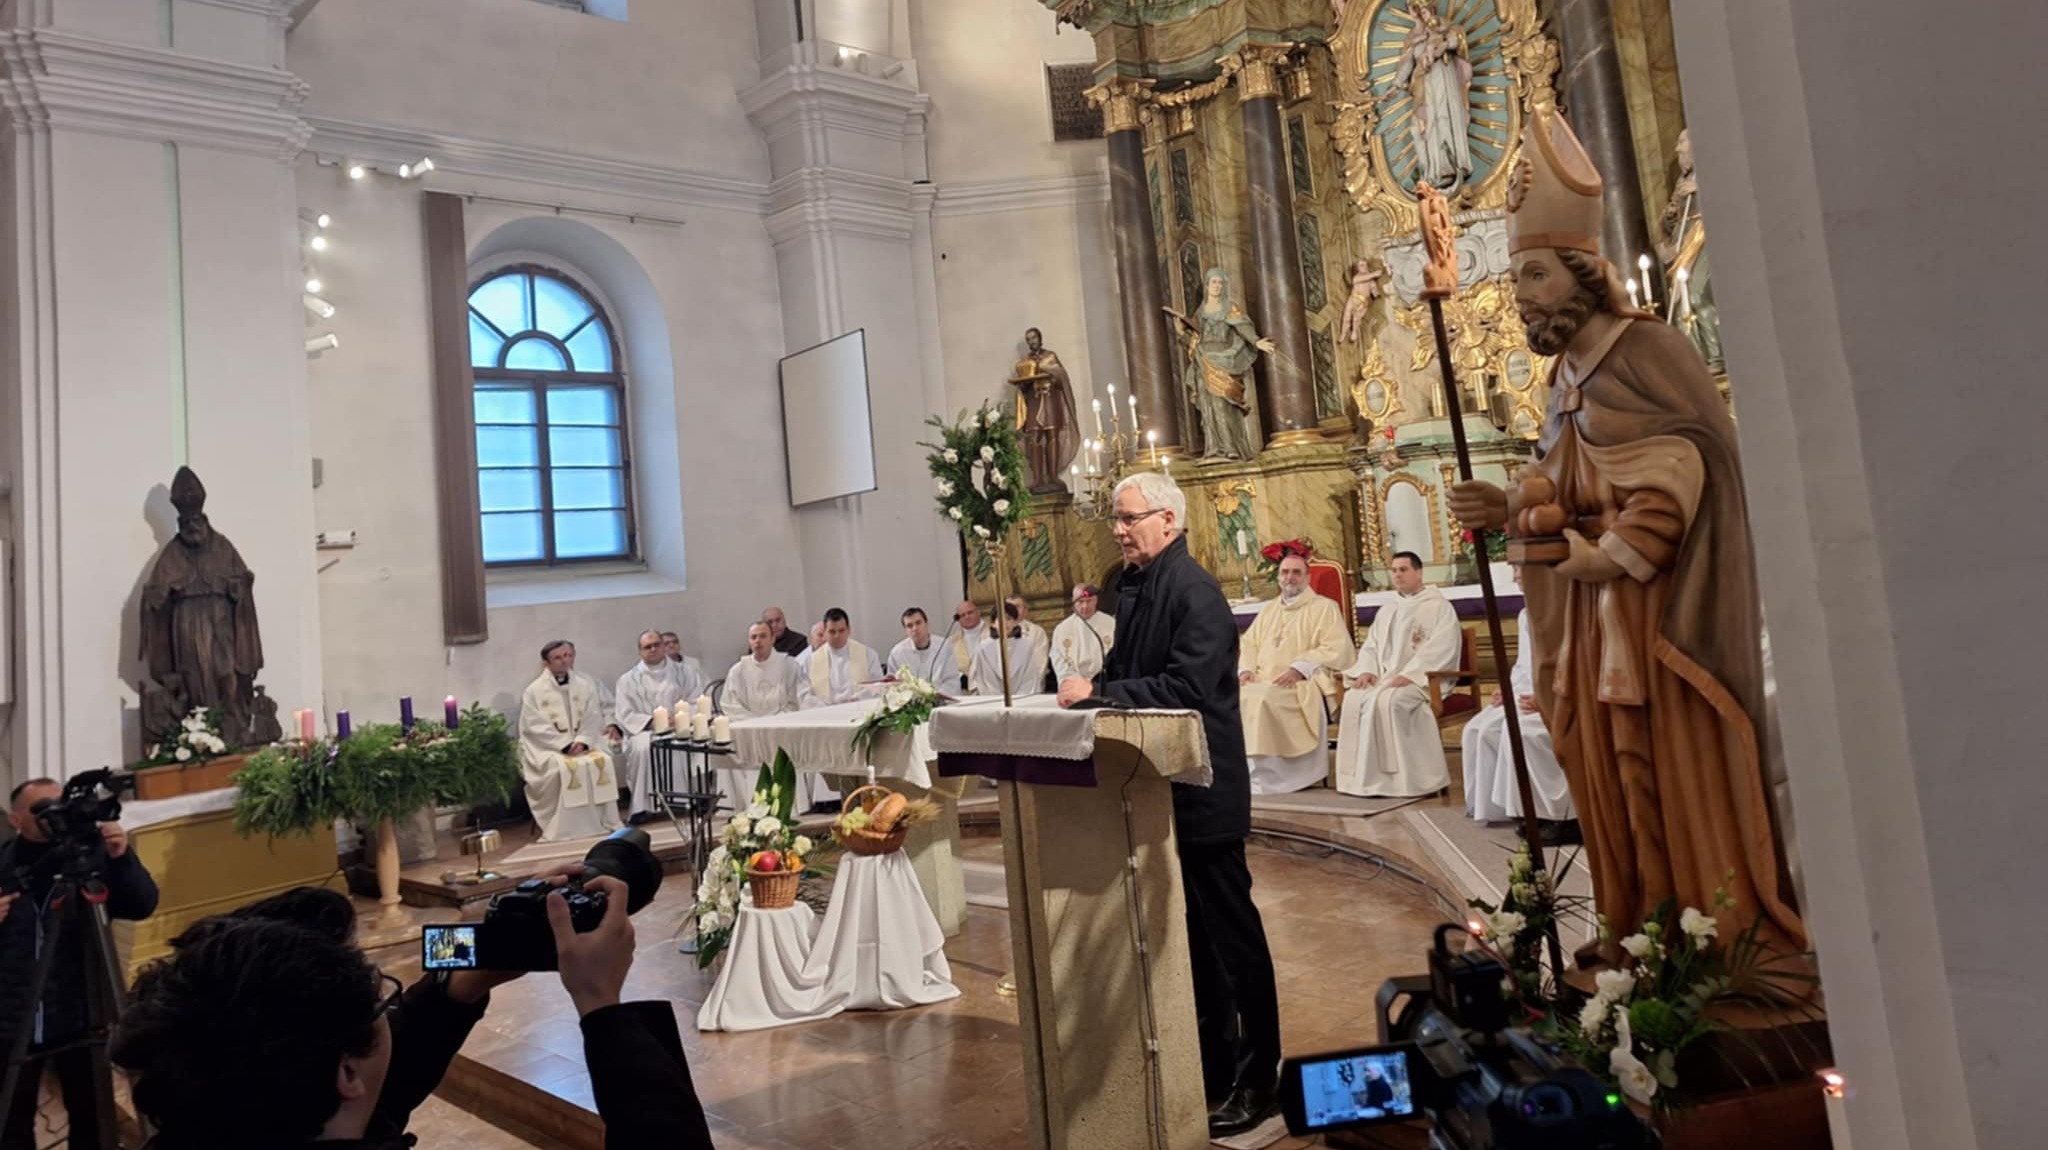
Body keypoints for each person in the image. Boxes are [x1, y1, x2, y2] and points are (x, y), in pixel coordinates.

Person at [1448, 108, 1804, 953]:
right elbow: (1563, 476)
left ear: (1583, 274)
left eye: (1535, 276)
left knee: (1667, 767)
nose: (1521, 298)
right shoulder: (1565, 376)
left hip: (1656, 620)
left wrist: (1605, 553)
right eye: (1515, 280)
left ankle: (1710, 938)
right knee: (1610, 770)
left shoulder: (1649, 352)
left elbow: (1692, 466)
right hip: (1592, 622)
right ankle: (1638, 924)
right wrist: (1508, 504)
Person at [110, 874, 714, 1149]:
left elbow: (368, 1103)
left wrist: (458, 986)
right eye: (379, 997)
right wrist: (602, 1009)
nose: (387, 1010)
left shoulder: (216, 1118)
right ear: (345, 1072)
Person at [1055, 471, 1281, 1138]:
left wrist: (1099, 697)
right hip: (1161, 783)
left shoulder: (1195, 591)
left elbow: (1186, 687)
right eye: (1116, 519)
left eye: (1129, 518)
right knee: (1194, 941)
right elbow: (1131, 669)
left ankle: (1260, 1078)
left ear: (1168, 521)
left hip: (1204, 787)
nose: (1118, 530)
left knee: (1233, 939)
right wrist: (1093, 684)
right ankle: (1214, 1065)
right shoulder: (1137, 586)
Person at [1, 780, 160, 1150]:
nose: (56, 816)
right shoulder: (4, 865)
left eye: (61, 805)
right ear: (16, 820)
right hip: (11, 1017)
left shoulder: (91, 860)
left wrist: (121, 857)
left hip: (81, 1014)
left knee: (93, 1120)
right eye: (42, 809)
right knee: (12, 1124)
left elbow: (141, 904)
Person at [1333, 553, 1460, 798]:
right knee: (1354, 698)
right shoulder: (1387, 609)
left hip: (1423, 681)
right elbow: (1371, 646)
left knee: (1392, 702)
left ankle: (1407, 781)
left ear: (1419, 572)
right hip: (1385, 678)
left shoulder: (1439, 607)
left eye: (1403, 569)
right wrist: (1367, 670)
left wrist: (1411, 675)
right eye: (1394, 570)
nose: (1398, 575)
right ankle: (1362, 781)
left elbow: (1443, 647)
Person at [1239, 549, 1357, 795]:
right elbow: (1248, 643)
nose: (1289, 578)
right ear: (1278, 577)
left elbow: (1337, 648)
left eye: (1296, 572)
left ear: (1307, 577)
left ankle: (1280, 777)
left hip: (1301, 683)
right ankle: (1252, 774)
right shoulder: (1270, 609)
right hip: (1263, 680)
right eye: (1285, 572)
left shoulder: (1324, 607)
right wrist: (1246, 670)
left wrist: (1299, 668)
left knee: (1262, 699)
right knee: (1240, 695)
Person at [1461, 591, 1576, 837]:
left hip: (1563, 699)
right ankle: (1503, 808)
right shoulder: (1526, 614)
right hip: (1528, 693)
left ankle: (1558, 816)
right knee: (1477, 729)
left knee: (1519, 733)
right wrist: (1508, 689)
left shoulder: (1567, 608)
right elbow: (1524, 667)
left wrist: (1546, 699)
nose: (1517, 575)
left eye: (1521, 570)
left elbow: (1575, 666)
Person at [517, 641, 622, 842]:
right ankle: (564, 828)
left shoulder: (585, 684)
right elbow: (534, 726)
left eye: (567, 655)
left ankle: (604, 821)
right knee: (559, 769)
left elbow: (593, 715)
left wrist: (582, 741)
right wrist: (564, 744)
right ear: (546, 663)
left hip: (584, 743)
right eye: (558, 657)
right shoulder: (534, 691)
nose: (565, 661)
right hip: (549, 748)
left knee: (601, 761)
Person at [613, 631, 704, 822]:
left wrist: (679, 718)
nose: (653, 649)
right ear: (640, 651)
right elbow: (624, 713)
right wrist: (651, 722)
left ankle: (681, 802)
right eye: (648, 647)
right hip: (644, 730)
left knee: (681, 744)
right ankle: (643, 807)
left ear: (663, 646)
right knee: (643, 749)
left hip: (678, 727)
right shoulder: (627, 680)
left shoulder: (685, 672)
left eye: (656, 644)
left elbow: (696, 700)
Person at [720, 622, 810, 812]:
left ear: (772, 639)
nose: (758, 641)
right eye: (753, 637)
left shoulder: (789, 665)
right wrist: (753, 722)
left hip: (781, 725)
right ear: (749, 641)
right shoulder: (738, 670)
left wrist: (774, 721)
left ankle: (789, 804)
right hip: (748, 727)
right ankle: (749, 805)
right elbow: (730, 704)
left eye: (762, 636)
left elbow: (798, 699)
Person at [796, 608, 877, 707]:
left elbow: (877, 687)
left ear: (849, 630)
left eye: (841, 631)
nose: (837, 636)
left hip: (860, 709)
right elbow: (804, 694)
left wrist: (856, 701)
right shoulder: (810, 661)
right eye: (832, 632)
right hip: (825, 712)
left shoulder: (868, 654)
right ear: (825, 632)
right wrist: (825, 706)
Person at [970, 602, 1045, 699]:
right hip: (992, 700)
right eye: (1000, 619)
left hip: (1022, 699)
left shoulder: (1026, 645)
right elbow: (983, 681)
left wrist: (1019, 698)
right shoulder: (983, 649)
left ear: (1016, 622)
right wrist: (998, 699)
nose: (1004, 623)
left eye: (1008, 619)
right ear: (993, 624)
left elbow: (1029, 677)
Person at [1049, 584, 1115, 683]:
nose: (1085, 606)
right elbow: (1058, 660)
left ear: (1096, 600)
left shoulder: (1111, 624)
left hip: (1105, 682)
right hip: (1075, 684)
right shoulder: (1062, 629)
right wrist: (1078, 682)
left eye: (1089, 601)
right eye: (1080, 601)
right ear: (1073, 602)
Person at [887, 608, 947, 683]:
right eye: (909, 626)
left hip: (941, 690)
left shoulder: (944, 646)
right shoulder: (897, 653)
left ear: (926, 624)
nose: (915, 628)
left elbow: (952, 680)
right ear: (906, 630)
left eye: (918, 623)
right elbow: (892, 683)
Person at [942, 600, 988, 693]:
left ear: (978, 612)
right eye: (962, 615)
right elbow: (948, 669)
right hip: (965, 692)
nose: (967, 617)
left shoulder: (994, 634)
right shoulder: (952, 642)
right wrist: (962, 677)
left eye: (970, 612)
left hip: (991, 688)